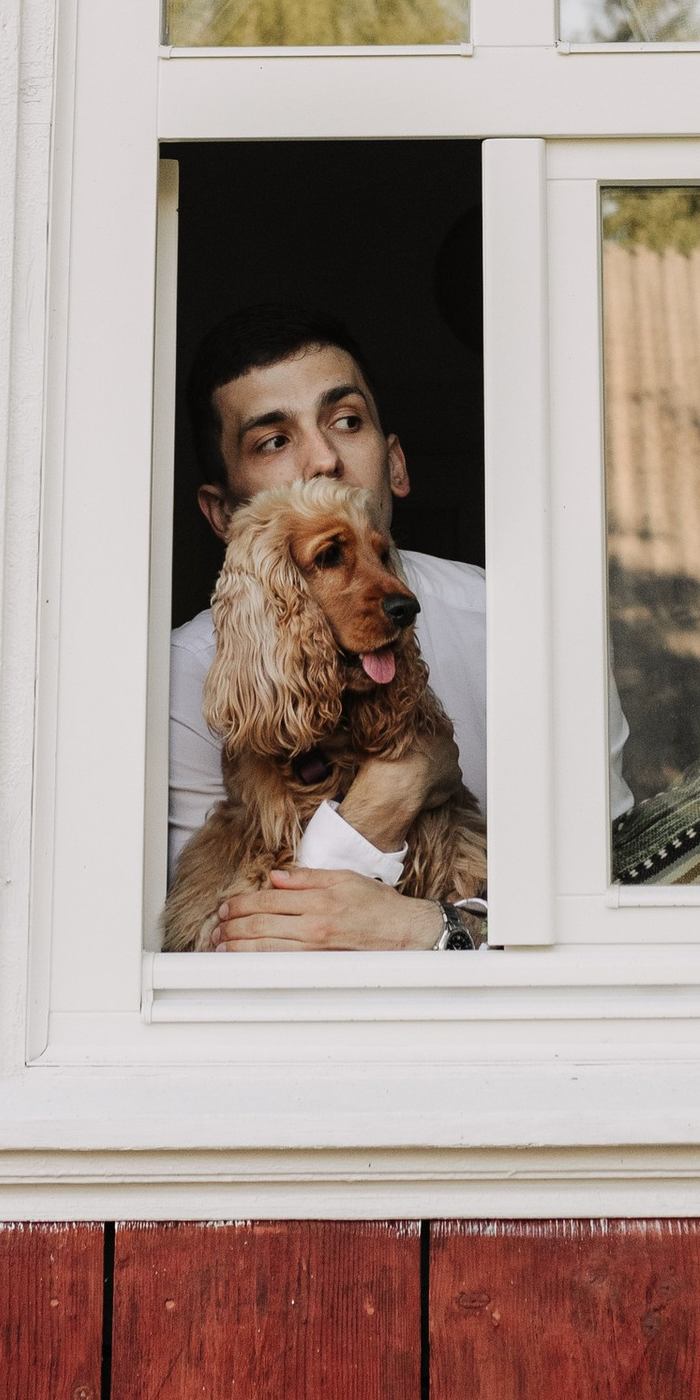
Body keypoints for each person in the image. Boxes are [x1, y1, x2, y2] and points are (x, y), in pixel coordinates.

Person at [168, 306, 485, 950]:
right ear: (225, 514)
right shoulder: (182, 675)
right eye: (274, 441)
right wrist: (397, 788)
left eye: (346, 421)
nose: (322, 461)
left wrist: (437, 932)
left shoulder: (518, 626)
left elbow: (612, 893)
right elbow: (233, 946)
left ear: (395, 462)